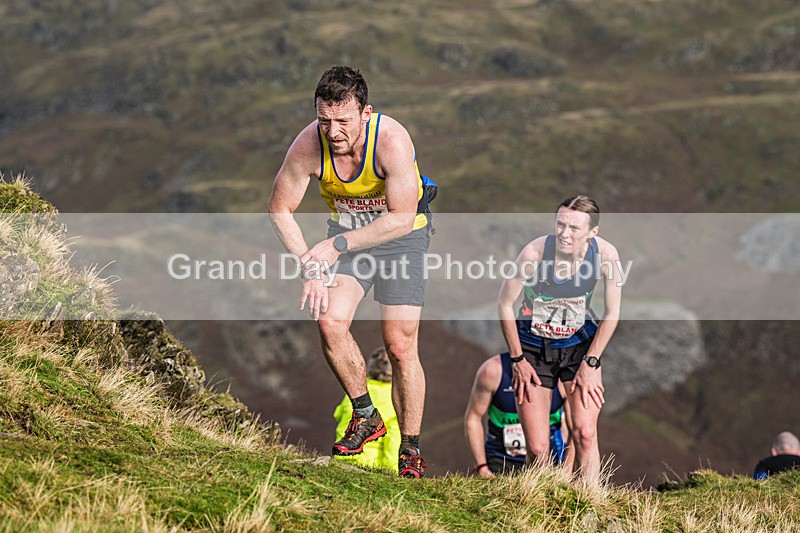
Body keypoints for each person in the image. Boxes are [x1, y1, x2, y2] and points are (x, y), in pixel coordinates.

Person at [268, 66, 435, 478]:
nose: (333, 131)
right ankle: (365, 415)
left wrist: (335, 246)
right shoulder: (309, 145)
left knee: (399, 345)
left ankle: (410, 449)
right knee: (329, 319)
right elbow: (280, 209)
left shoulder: (391, 140)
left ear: (366, 112)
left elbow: (401, 217)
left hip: (401, 238)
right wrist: (310, 263)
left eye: (343, 121)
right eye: (324, 120)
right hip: (346, 235)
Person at [497, 195, 622, 484]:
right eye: (560, 225)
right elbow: (504, 304)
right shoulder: (534, 253)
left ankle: (590, 500)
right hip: (533, 348)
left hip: (579, 348)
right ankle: (537, 500)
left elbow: (612, 312)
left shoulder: (605, 255)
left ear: (592, 232)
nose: (565, 234)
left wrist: (591, 362)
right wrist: (517, 359)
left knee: (585, 434)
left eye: (574, 228)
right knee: (538, 448)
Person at [465, 353, 572, 477]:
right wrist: (482, 466)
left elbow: (575, 430)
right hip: (500, 461)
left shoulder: (562, 376)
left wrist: (566, 472)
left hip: (550, 462)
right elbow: (473, 418)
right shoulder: (492, 371)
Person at [333, 347, 401, 472]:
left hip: (342, 456)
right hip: (370, 463)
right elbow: (393, 440)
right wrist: (392, 471)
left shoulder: (357, 391)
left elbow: (338, 414)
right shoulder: (394, 398)